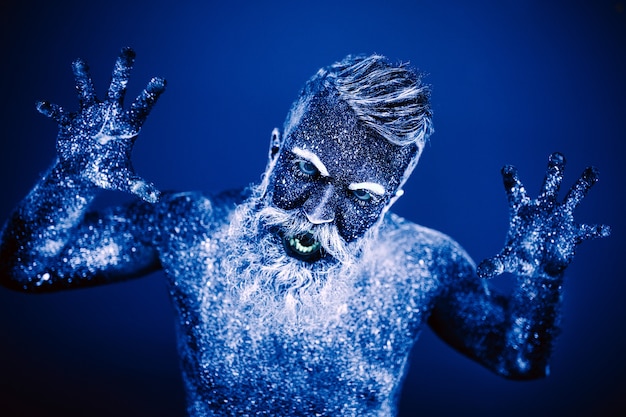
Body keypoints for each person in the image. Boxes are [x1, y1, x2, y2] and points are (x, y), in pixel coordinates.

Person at [0, 48, 610, 416]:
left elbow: (518, 360)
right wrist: (72, 174)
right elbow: (24, 267)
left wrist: (544, 277)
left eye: (359, 198)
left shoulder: (420, 266)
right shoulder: (194, 231)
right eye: (304, 172)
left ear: (393, 199)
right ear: (273, 151)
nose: (318, 214)